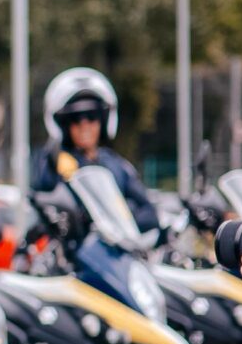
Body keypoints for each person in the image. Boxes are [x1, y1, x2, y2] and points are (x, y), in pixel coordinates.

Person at [29, 66, 158, 232]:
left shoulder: (117, 165)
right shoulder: (54, 163)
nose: (85, 126)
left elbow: (149, 212)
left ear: (103, 120)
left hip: (118, 253)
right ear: (64, 124)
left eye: (92, 117)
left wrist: (124, 220)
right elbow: (42, 197)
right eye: (75, 119)